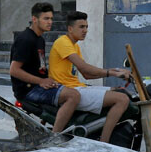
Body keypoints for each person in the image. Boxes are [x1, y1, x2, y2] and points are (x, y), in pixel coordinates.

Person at [49, 11, 134, 143]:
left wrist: (116, 70)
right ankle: (104, 142)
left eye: (86, 27)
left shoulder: (75, 46)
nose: (85, 30)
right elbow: (84, 67)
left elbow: (87, 75)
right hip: (68, 90)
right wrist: (112, 73)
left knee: (119, 91)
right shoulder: (63, 42)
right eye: (81, 27)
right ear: (70, 29)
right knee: (122, 99)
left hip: (78, 87)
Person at [9, 2, 81, 133]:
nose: (50, 22)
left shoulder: (39, 39)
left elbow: (40, 68)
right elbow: (14, 70)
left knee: (74, 90)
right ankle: (55, 136)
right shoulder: (25, 39)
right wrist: (41, 81)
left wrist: (49, 80)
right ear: (34, 19)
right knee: (74, 96)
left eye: (51, 18)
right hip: (28, 90)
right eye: (46, 18)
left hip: (38, 86)